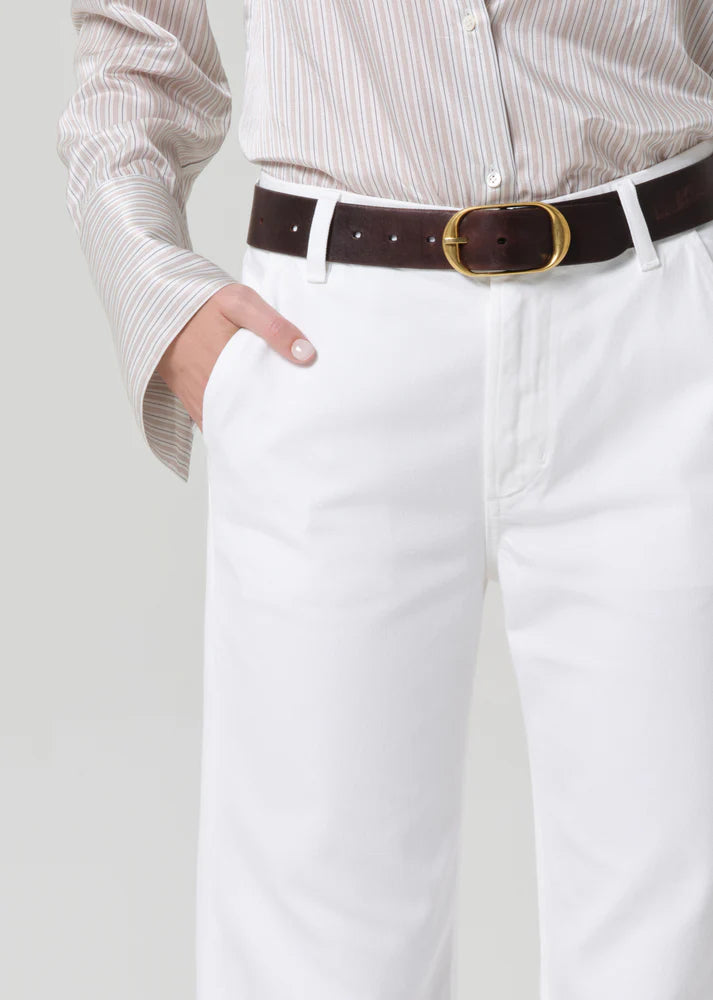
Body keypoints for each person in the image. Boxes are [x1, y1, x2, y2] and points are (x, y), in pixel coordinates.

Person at [57, 2, 713, 997]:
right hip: (331, 344)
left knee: (678, 944)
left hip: (658, 322)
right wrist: (158, 296)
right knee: (311, 957)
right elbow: (135, 51)